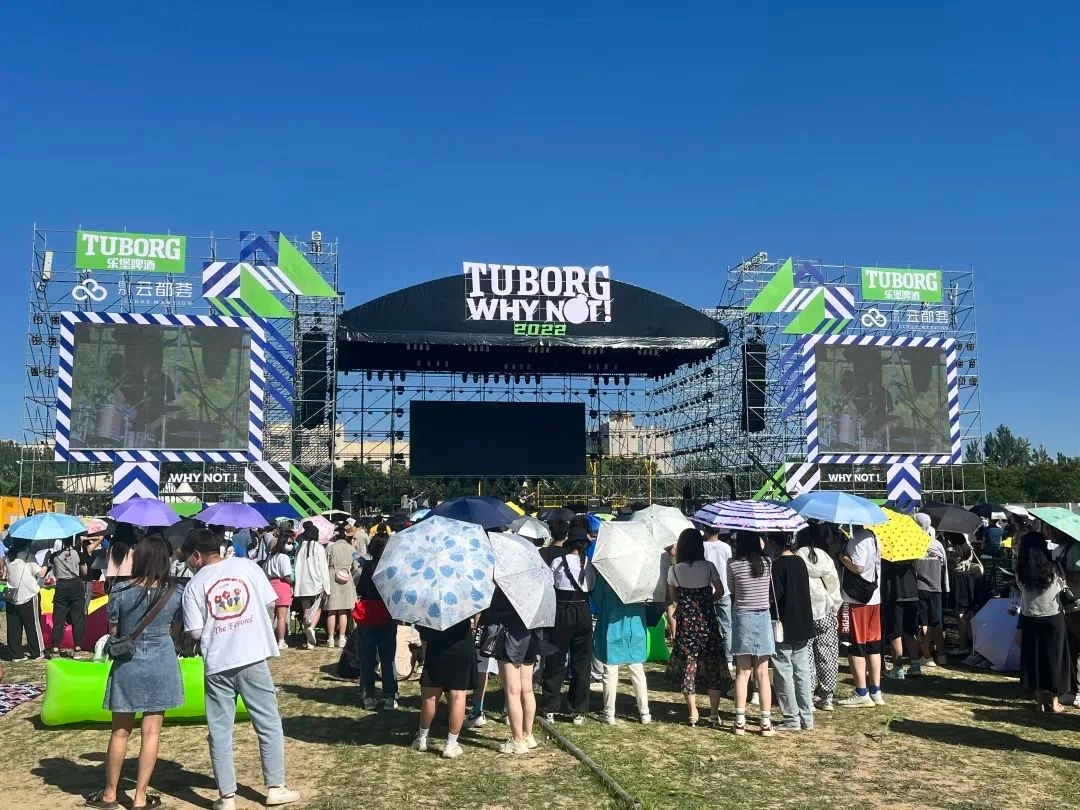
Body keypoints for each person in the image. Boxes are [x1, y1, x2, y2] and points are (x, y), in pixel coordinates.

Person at [181, 529, 300, 810]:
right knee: (268, 723)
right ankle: (276, 787)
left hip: (218, 662)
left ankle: (227, 797)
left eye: (188, 558)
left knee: (220, 731)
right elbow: (271, 602)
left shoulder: (194, 585)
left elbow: (195, 632)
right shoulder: (247, 567)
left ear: (196, 555)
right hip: (252, 655)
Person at [85, 535, 184, 810]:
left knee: (120, 732)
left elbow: (114, 631)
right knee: (152, 732)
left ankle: (110, 793)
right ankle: (140, 797)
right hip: (162, 661)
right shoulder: (175, 592)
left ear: (138, 559)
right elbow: (176, 630)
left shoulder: (120, 590)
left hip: (129, 662)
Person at [666, 527, 728, 727]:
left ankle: (693, 712)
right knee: (712, 667)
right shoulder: (708, 567)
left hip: (686, 625)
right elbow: (720, 591)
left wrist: (687, 604)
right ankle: (714, 713)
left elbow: (673, 597)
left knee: (689, 666)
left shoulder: (675, 570)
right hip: (707, 623)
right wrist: (707, 601)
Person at [541, 520, 595, 724]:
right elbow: (591, 586)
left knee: (555, 658)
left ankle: (550, 706)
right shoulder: (589, 564)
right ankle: (578, 710)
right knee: (582, 660)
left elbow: (550, 584)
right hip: (582, 609)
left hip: (561, 609)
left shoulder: (558, 561)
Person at [1014, 531, 1070, 713]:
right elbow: (1062, 586)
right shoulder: (1054, 567)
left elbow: (1021, 589)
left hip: (1030, 617)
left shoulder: (1021, 570)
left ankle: (1040, 703)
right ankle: (1054, 702)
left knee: (1034, 660)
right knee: (1054, 659)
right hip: (1053, 616)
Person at [726, 531, 775, 736]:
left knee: (742, 673)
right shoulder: (767, 562)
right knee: (762, 674)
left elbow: (732, 589)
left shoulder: (733, 564)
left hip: (742, 617)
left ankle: (739, 721)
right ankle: (765, 722)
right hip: (763, 617)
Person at [486, 587, 544, 753]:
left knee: (512, 692)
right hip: (530, 637)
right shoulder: (535, 589)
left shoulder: (505, 587)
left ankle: (517, 740)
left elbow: (494, 611)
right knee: (527, 690)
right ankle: (528, 734)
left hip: (510, 638)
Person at [769, 534, 816, 732]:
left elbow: (775, 595)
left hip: (784, 625)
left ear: (773, 543)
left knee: (784, 672)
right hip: (803, 623)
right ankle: (807, 716)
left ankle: (791, 717)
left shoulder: (777, 566)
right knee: (802, 671)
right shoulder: (800, 562)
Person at [593, 571, 651, 726]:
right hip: (635, 626)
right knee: (637, 670)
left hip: (612, 625)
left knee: (610, 670)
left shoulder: (606, 574)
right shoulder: (640, 574)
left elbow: (597, 597)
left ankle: (609, 713)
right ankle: (645, 712)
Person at [412, 617, 476, 759]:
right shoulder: (464, 603)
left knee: (431, 696)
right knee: (458, 696)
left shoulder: (430, 603)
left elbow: (423, 631)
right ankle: (451, 744)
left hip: (436, 644)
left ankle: (422, 738)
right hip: (461, 643)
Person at [796, 524, 843, 711]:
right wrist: (835, 608)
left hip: (804, 611)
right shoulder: (825, 557)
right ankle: (827, 696)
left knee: (805, 655)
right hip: (825, 608)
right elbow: (833, 584)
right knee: (828, 653)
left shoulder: (798, 556)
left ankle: (807, 695)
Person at [838, 525, 884, 707]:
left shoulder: (857, 539)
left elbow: (858, 567)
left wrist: (842, 558)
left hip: (855, 599)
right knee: (873, 646)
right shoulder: (874, 537)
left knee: (855, 644)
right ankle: (876, 690)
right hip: (874, 597)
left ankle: (861, 691)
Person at [355, 533, 398, 711]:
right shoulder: (392, 568)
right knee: (388, 658)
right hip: (387, 614)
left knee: (367, 657)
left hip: (368, 614)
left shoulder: (368, 566)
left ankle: (368, 696)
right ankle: (390, 696)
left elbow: (360, 589)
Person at [913, 514, 950, 667]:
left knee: (923, 623)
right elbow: (945, 567)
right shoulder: (937, 544)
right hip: (937, 588)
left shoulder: (914, 543)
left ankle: (927, 656)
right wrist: (945, 586)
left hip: (920, 587)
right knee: (936, 623)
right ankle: (941, 655)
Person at [3, 538, 46, 660]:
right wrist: (46, 564)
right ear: (27, 544)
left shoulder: (8, 557)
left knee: (13, 627)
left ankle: (16, 654)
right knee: (33, 625)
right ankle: (37, 651)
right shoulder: (28, 557)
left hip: (11, 595)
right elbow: (40, 573)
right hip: (28, 594)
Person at [47, 534, 88, 658]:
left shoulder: (55, 555)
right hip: (76, 585)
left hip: (62, 586)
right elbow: (84, 572)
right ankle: (77, 648)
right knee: (77, 619)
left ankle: (55, 648)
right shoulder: (78, 554)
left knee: (58, 619)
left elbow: (52, 569)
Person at [881, 557, 921, 680]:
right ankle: (915, 666)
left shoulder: (887, 556)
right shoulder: (911, 553)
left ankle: (897, 669)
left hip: (894, 595)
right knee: (910, 632)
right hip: (912, 594)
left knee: (895, 633)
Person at [292, 522, 330, 649]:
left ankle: (308, 638)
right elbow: (323, 568)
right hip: (316, 583)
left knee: (306, 611)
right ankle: (312, 628)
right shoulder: (318, 548)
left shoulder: (299, 548)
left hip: (302, 584)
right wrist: (327, 586)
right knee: (318, 608)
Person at [702, 525, 733, 664]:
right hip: (724, 589)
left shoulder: (701, 547)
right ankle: (729, 659)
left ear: (705, 529)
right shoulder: (726, 547)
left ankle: (710, 655)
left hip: (707, 589)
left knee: (708, 626)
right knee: (727, 627)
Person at [324, 528, 357, 649]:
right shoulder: (351, 548)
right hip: (346, 577)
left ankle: (330, 638)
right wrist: (349, 573)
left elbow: (324, 564)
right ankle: (342, 638)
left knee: (331, 610)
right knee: (343, 610)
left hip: (332, 578)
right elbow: (356, 566)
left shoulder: (330, 548)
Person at [264, 532, 295, 651]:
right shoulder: (284, 557)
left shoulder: (270, 556)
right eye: (289, 543)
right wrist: (293, 583)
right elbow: (286, 576)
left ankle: (269, 640)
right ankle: (281, 641)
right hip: (282, 585)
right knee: (281, 617)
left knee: (271, 616)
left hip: (271, 585)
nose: (291, 545)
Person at [105, 523, 137, 587]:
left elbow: (108, 563)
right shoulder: (134, 547)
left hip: (114, 580)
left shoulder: (112, 547)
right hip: (130, 579)